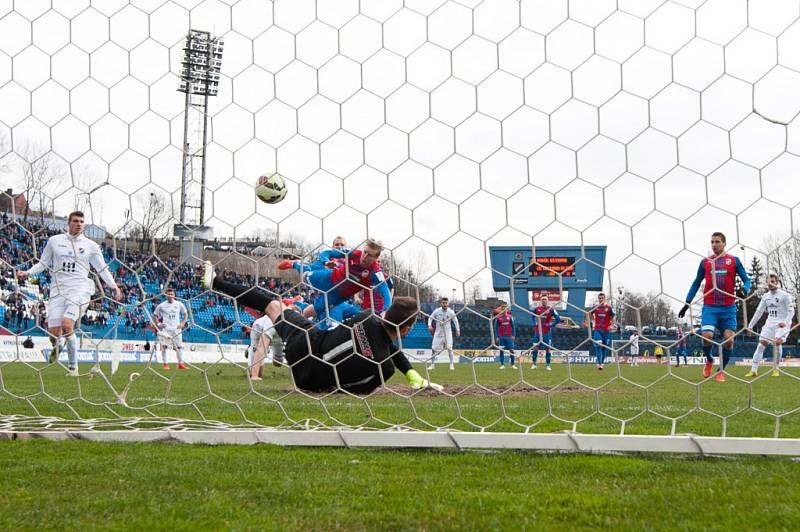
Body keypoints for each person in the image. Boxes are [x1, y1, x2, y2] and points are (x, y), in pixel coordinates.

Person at [202, 262, 442, 393]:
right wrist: (411, 374)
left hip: (303, 345)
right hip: (308, 381)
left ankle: (215, 282)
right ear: (408, 329)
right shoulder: (386, 368)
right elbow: (357, 388)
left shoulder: (366, 318)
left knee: (272, 306)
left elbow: (383, 339)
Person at [17, 211, 122, 376]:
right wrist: (28, 273)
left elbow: (102, 269)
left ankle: (73, 368)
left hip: (79, 289)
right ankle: (56, 346)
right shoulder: (54, 241)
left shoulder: (91, 246)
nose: (78, 224)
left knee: (67, 325)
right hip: (58, 290)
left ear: (84, 225)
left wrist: (114, 286)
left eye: (81, 221)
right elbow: (43, 264)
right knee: (54, 334)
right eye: (75, 221)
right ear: (69, 223)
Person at [679, 232, 751, 382]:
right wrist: (687, 302)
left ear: (724, 243)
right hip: (710, 307)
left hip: (728, 308)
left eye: (717, 242)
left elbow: (747, 280)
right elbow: (696, 282)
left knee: (729, 340)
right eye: (712, 242)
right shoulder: (705, 262)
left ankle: (721, 371)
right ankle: (709, 359)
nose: (714, 244)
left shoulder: (733, 261)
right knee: (707, 337)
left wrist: (744, 289)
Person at [278, 238, 392, 321]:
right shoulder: (354, 253)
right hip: (329, 278)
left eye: (370, 255)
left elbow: (386, 293)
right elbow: (326, 252)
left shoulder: (376, 273)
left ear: (376, 258)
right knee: (305, 275)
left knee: (312, 312)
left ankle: (295, 313)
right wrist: (326, 262)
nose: (365, 256)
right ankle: (295, 264)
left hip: (338, 296)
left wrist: (385, 311)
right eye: (365, 252)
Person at [746, 273, 795, 378]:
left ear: (777, 282)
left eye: (773, 281)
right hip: (770, 322)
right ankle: (753, 370)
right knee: (761, 343)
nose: (771, 284)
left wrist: (785, 322)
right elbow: (759, 312)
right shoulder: (766, 296)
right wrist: (750, 326)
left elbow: (791, 311)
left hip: (783, 322)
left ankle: (776, 368)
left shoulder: (785, 295)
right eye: (769, 282)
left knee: (777, 342)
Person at [152, 287, 189, 370]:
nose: (170, 295)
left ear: (174, 295)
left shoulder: (179, 304)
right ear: (165, 295)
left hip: (176, 329)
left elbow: (185, 314)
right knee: (164, 347)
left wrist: (182, 323)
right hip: (166, 329)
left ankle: (181, 364)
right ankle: (165, 364)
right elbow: (154, 315)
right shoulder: (161, 305)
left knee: (179, 347)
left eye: (171, 294)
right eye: (168, 294)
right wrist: (158, 323)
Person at [427, 296, 460, 371]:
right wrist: (429, 325)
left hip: (447, 333)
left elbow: (455, 321)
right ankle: (432, 365)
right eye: (443, 303)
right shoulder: (437, 311)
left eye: (446, 303)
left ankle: (451, 365)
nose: (445, 304)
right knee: (433, 349)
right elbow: (430, 317)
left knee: (449, 349)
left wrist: (458, 330)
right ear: (441, 303)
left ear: (448, 303)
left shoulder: (451, 312)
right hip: (438, 333)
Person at [247, 314, 281, 381]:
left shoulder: (291, 327)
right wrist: (254, 376)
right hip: (258, 329)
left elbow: (277, 363)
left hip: (276, 333)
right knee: (257, 373)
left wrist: (278, 357)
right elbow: (260, 348)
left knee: (277, 362)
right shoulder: (272, 323)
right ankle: (250, 349)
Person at [531, 294, 559, 370]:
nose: (544, 300)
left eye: (545, 299)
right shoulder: (537, 309)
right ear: (540, 300)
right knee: (535, 348)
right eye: (543, 299)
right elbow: (532, 317)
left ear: (547, 300)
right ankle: (534, 364)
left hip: (547, 331)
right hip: (538, 331)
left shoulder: (551, 309)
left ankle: (548, 365)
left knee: (548, 348)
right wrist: (534, 324)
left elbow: (558, 319)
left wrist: (551, 325)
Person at [590, 292, 614, 370]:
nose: (601, 299)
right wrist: (593, 322)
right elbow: (590, 313)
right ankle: (599, 363)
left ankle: (602, 363)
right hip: (597, 329)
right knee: (599, 345)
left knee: (604, 348)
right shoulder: (595, 307)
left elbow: (612, 316)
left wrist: (611, 325)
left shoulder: (608, 308)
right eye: (599, 298)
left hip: (606, 330)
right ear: (598, 299)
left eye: (602, 298)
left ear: (604, 298)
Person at [494, 304, 516, 369]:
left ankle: (512, 364)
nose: (504, 309)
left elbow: (513, 326)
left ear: (507, 309)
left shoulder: (510, 317)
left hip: (509, 336)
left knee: (511, 350)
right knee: (501, 350)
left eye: (505, 308)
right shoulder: (498, 318)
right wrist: (497, 336)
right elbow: (496, 328)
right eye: (502, 308)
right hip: (501, 337)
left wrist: (513, 335)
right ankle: (502, 365)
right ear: (501, 309)